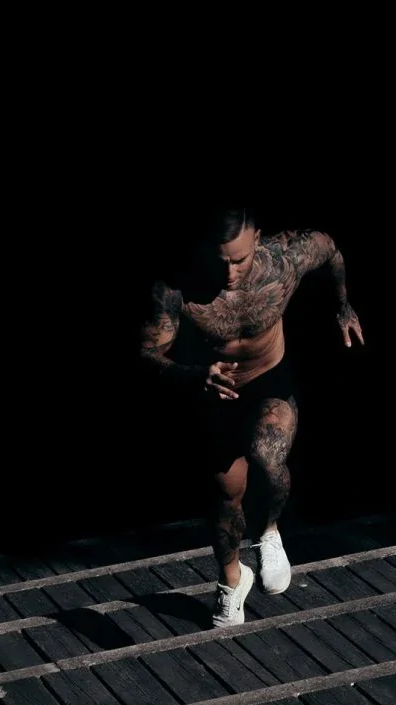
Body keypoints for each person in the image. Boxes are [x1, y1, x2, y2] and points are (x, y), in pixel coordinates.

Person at [137, 205, 364, 627]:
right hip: (215, 391)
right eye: (220, 261)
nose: (229, 273)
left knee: (267, 455)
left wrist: (343, 306)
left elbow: (331, 250)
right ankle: (231, 580)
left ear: (257, 240)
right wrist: (193, 375)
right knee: (226, 493)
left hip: (269, 379)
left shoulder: (286, 259)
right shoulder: (176, 288)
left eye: (239, 260)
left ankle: (269, 532)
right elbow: (147, 353)